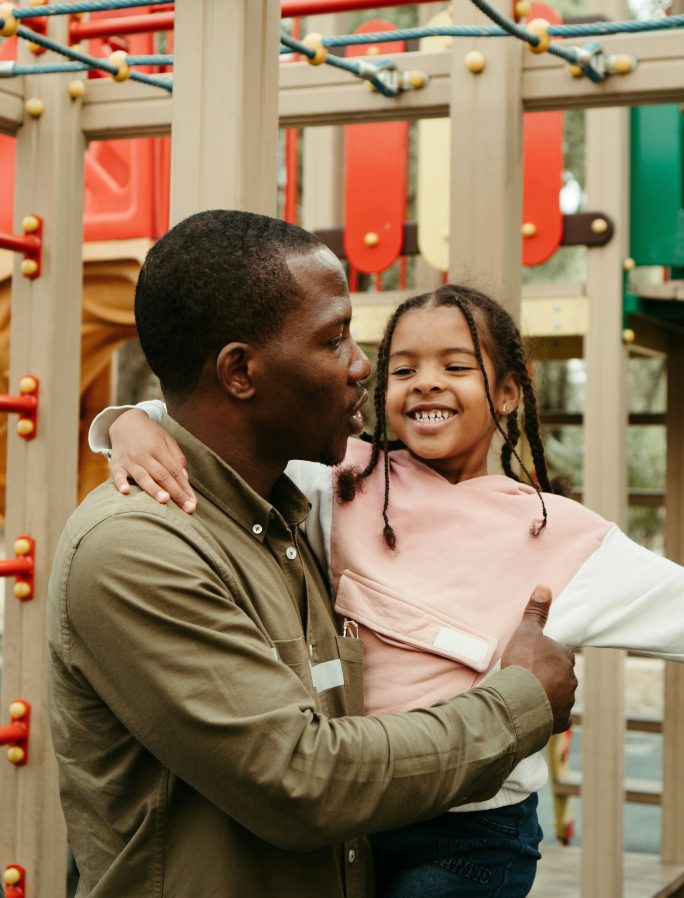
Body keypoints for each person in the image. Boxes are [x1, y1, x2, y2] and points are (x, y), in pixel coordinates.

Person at [49, 211, 578, 898]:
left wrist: (134, 418)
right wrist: (521, 700)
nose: (363, 366)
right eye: (334, 340)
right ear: (240, 371)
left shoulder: (287, 523)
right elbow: (303, 780)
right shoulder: (137, 549)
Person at [95, 282, 684, 898]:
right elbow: (219, 432)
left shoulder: (564, 536)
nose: (425, 382)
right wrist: (135, 424)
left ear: (509, 393)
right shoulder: (344, 480)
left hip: (471, 834)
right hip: (355, 814)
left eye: (456, 366)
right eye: (403, 369)